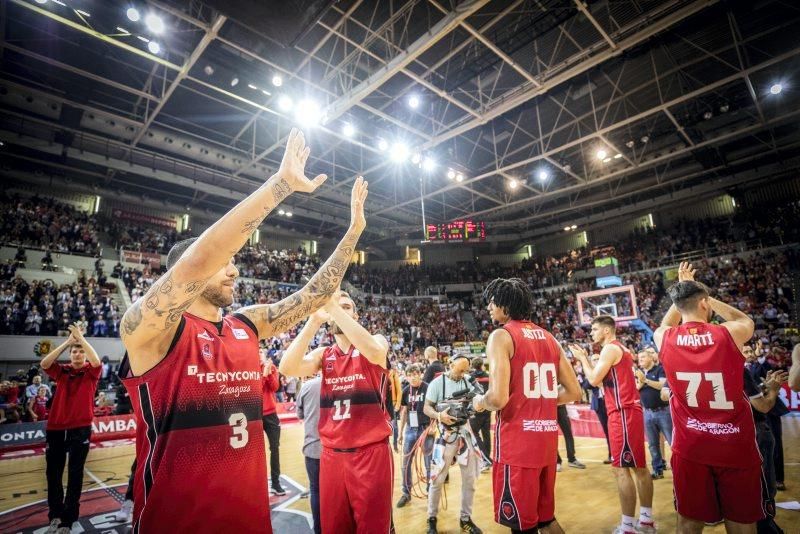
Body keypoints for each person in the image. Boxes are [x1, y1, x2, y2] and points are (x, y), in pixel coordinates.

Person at [119, 129, 368, 534]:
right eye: (226, 262)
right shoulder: (152, 330)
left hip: (251, 520)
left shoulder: (245, 325)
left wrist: (354, 231)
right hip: (177, 523)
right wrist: (281, 184)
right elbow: (198, 260)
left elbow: (315, 295)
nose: (234, 269)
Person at [654, 262, 763, 533]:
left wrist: (683, 295)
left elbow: (665, 323)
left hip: (691, 446)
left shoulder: (664, 337)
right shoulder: (728, 332)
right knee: (741, 523)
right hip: (734, 444)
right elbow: (746, 320)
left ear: (679, 309)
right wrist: (704, 293)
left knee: (689, 523)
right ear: (704, 304)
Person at [473, 278, 581, 533]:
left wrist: (479, 402)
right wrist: (537, 400)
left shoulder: (501, 335)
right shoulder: (549, 337)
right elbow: (574, 392)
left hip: (517, 446)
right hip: (545, 442)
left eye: (492, 301)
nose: (489, 307)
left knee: (522, 526)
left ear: (506, 306)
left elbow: (497, 398)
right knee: (546, 519)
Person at [279, 290, 393, 534]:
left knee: (373, 528)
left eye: (346, 307)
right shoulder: (324, 355)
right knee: (334, 528)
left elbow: (375, 351)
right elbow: (287, 367)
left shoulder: (377, 341)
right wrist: (314, 320)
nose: (338, 309)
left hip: (370, 453)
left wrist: (334, 308)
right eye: (336, 307)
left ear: (356, 315)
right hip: (331, 456)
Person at [571, 317, 655, 534]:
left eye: (595, 329)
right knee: (638, 468)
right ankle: (645, 520)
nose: (591, 333)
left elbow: (592, 380)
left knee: (621, 469)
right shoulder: (618, 349)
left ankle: (628, 526)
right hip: (626, 411)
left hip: (623, 412)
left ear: (607, 330)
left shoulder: (610, 349)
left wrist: (582, 359)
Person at [40, 324, 101, 534]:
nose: (77, 354)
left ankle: (68, 520)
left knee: (75, 475)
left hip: (80, 429)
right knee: (53, 474)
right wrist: (68, 342)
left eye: (80, 351)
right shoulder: (62, 371)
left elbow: (96, 360)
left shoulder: (91, 371)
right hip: (56, 428)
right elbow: (44, 363)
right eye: (74, 351)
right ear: (70, 354)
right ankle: (55, 517)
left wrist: (81, 339)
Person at [424, 354, 484, 534]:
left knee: (470, 479)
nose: (462, 374)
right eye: (459, 370)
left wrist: (479, 404)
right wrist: (439, 415)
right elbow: (427, 407)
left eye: (465, 371)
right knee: (437, 479)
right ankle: (431, 517)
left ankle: (465, 518)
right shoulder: (436, 383)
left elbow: (478, 402)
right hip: (445, 435)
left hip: (464, 434)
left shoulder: (469, 382)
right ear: (450, 364)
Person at [744, 366, 788, 534]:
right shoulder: (739, 368)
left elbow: (744, 396)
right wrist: (774, 390)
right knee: (764, 490)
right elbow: (763, 406)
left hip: (737, 435)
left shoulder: (719, 366)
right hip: (756, 432)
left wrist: (766, 385)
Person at [396, 363, 434, 508]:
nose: (413, 377)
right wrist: (400, 432)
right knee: (405, 464)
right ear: (406, 376)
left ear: (420, 374)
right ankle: (406, 493)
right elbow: (404, 412)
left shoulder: (428, 388)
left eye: (416, 374)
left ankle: (431, 492)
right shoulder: (406, 390)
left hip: (426, 429)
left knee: (429, 463)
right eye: (410, 375)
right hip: (411, 430)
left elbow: (435, 407)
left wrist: (434, 425)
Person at [635, 347, 672, 479]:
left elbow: (662, 386)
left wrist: (645, 381)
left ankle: (680, 468)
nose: (641, 360)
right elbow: (636, 389)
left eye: (643, 357)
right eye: (639, 359)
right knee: (652, 444)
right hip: (647, 412)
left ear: (651, 357)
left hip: (663, 411)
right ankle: (658, 470)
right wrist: (640, 382)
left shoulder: (660, 369)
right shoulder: (638, 374)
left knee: (672, 441)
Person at [296, 375, 322, 534]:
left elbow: (300, 415)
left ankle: (319, 529)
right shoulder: (344, 383)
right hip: (338, 450)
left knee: (316, 490)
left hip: (314, 447)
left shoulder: (307, 386)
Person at [580, 355, 612, 464]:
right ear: (591, 362)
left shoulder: (608, 370)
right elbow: (585, 385)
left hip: (611, 402)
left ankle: (619, 453)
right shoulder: (591, 373)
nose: (597, 361)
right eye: (594, 359)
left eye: (599, 358)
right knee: (607, 430)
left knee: (616, 429)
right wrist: (595, 380)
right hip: (600, 404)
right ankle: (611, 455)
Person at [262, 351, 285, 495]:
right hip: (255, 415)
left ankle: (275, 483)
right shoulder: (249, 368)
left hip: (271, 414)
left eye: (260, 352)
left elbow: (275, 387)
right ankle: (256, 482)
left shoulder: (272, 367)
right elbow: (255, 391)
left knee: (275, 449)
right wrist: (263, 374)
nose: (259, 354)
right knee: (255, 453)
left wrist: (269, 372)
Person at [468, 357, 491, 467]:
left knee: (474, 433)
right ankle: (487, 458)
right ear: (482, 365)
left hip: (475, 409)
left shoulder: (470, 378)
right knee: (486, 433)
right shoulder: (488, 376)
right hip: (487, 408)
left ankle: (485, 457)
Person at [556, 404, 585, 470]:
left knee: (568, 433)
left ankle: (572, 459)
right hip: (549, 407)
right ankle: (557, 461)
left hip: (561, 406)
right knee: (552, 436)